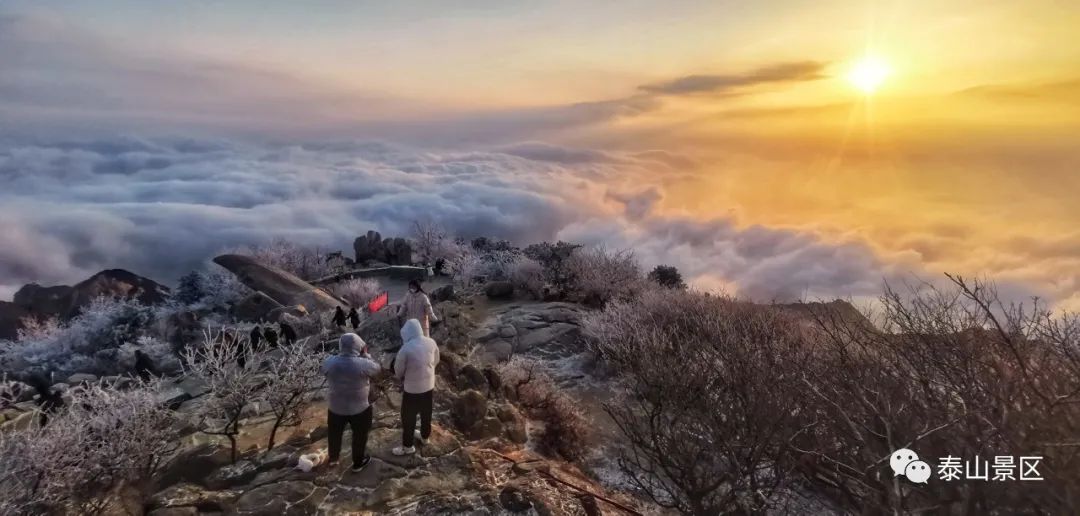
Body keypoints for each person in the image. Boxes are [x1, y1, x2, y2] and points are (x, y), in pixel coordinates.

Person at [323, 333, 382, 471]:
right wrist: (366, 355)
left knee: (334, 434)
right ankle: (358, 462)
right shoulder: (363, 364)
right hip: (359, 408)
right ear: (358, 347)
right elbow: (377, 369)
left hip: (335, 407)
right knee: (360, 435)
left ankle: (333, 459)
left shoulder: (329, 362)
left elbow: (323, 370)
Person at [392, 318, 439, 456]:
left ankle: (408, 447)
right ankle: (425, 437)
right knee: (426, 413)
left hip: (412, 390)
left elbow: (398, 371)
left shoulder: (405, 349)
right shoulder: (431, 342)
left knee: (409, 417)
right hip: (429, 386)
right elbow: (436, 360)